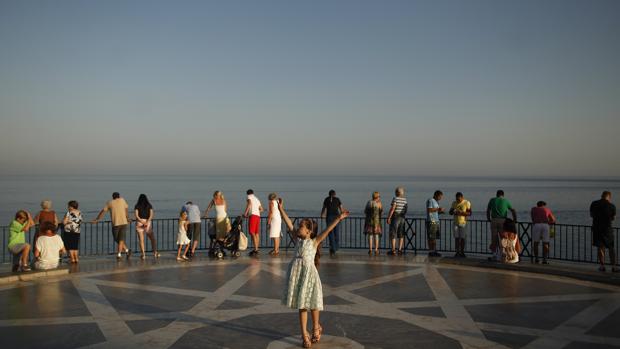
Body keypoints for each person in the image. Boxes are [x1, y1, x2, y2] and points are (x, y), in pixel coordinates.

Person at [279, 197, 349, 348]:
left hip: (309, 276)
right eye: (298, 227)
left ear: (309, 231)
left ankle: (316, 327)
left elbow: (328, 229)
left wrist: (339, 217)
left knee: (313, 304)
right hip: (297, 276)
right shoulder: (297, 240)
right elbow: (288, 223)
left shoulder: (314, 242)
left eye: (301, 227)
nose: (298, 228)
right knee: (302, 305)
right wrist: (280, 209)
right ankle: (304, 334)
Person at [92, 192, 131, 260]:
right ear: (119, 196)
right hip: (121, 223)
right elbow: (126, 210)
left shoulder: (113, 202)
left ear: (113, 197)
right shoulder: (119, 201)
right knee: (118, 239)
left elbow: (103, 211)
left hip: (119, 223)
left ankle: (119, 255)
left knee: (119, 239)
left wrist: (97, 219)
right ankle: (127, 250)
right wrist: (127, 218)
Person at [590, 191, 617, 272]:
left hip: (597, 229)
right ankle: (614, 267)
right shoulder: (612, 206)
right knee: (611, 248)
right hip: (607, 229)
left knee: (600, 248)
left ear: (602, 196)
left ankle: (602, 266)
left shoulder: (594, 203)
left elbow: (591, 215)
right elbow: (613, 218)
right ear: (609, 197)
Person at [486, 190, 517, 257]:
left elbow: (488, 210)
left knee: (494, 237)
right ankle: (503, 253)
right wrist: (514, 219)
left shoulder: (492, 200)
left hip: (494, 220)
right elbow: (513, 210)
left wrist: (488, 218)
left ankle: (494, 254)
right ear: (503, 195)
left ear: (496, 194)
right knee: (503, 237)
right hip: (503, 221)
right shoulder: (506, 201)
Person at [134, 194, 160, 259]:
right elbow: (151, 215)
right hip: (147, 223)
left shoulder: (137, 206)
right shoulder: (149, 205)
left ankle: (143, 254)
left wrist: (142, 221)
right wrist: (147, 222)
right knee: (152, 239)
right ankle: (155, 253)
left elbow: (136, 216)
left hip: (139, 223)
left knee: (141, 240)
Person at [321, 190, 344, 256]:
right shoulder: (337, 199)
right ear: (335, 194)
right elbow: (341, 209)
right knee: (336, 232)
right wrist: (343, 215)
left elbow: (324, 208)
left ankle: (333, 248)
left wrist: (322, 214)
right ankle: (335, 247)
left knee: (330, 232)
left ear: (329, 194)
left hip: (329, 217)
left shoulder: (326, 199)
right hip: (336, 217)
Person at [450, 192, 472, 258]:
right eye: (457, 199)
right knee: (456, 238)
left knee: (462, 238)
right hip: (455, 223)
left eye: (459, 199)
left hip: (463, 223)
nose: (458, 200)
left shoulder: (467, 202)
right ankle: (457, 252)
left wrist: (462, 212)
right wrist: (453, 211)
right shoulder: (454, 203)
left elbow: (469, 213)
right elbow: (450, 212)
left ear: (462, 197)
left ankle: (462, 252)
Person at [386, 187, 408, 255]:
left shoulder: (395, 199)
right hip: (402, 217)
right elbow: (406, 209)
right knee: (401, 234)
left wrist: (389, 217)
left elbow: (393, 208)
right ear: (402, 193)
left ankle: (393, 250)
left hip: (395, 217)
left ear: (397, 192)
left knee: (393, 233)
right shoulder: (405, 200)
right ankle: (400, 249)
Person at [243, 189, 264, 256]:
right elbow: (261, 209)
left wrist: (245, 213)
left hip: (253, 216)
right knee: (256, 233)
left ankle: (256, 249)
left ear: (247, 194)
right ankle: (257, 248)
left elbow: (249, 204)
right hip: (258, 216)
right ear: (253, 193)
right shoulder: (256, 199)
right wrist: (257, 212)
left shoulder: (249, 197)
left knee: (252, 232)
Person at [426, 190, 445, 257]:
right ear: (437, 195)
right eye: (440, 197)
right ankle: (431, 251)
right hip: (431, 221)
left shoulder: (436, 202)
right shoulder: (430, 200)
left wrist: (440, 211)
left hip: (436, 221)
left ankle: (434, 250)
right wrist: (438, 209)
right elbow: (429, 210)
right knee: (431, 237)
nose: (441, 198)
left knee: (434, 237)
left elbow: (435, 211)